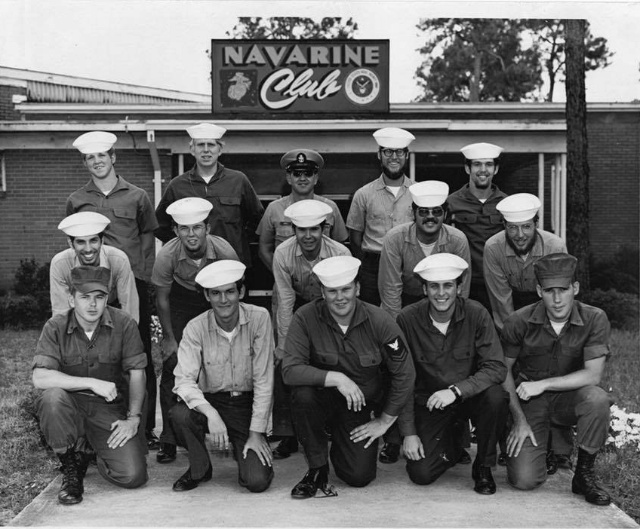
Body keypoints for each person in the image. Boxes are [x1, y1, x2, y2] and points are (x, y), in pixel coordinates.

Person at [282, 256, 415, 498]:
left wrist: (385, 420)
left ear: (358, 288)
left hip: (359, 406)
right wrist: (337, 378)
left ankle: (340, 444)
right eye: (332, 291)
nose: (340, 297)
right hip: (321, 400)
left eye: (346, 289)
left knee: (358, 476)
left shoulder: (380, 320)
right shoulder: (305, 317)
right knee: (302, 395)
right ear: (322, 292)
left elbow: (405, 373)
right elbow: (289, 370)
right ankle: (317, 468)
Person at [67, 131, 159, 449]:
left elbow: (148, 237)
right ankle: (100, 426)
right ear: (85, 163)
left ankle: (144, 428)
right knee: (98, 356)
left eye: (102, 156)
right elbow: (75, 243)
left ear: (113, 158)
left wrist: (142, 274)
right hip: (93, 290)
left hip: (131, 287)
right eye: (90, 158)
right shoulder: (77, 200)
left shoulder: (137, 196)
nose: (96, 162)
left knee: (138, 356)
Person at [501, 253, 613, 505]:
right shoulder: (518, 321)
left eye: (563, 289)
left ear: (575, 288)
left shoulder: (595, 318)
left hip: (568, 399)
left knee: (596, 398)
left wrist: (544, 384)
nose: (558, 299)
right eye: (550, 290)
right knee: (524, 480)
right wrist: (518, 419)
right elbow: (502, 371)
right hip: (530, 403)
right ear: (539, 291)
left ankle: (583, 474)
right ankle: (549, 443)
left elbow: (593, 375)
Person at [32, 266, 148, 505]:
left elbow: (138, 373)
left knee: (133, 475)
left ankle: (89, 449)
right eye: (85, 297)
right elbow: (40, 377)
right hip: (69, 406)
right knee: (52, 398)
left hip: (107, 410)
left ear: (108, 297)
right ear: (71, 298)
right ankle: (70, 465)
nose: (92, 304)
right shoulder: (55, 326)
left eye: (100, 297)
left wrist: (133, 418)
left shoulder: (124, 323)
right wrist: (90, 382)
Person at [397, 254, 508, 494]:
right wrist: (409, 433)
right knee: (421, 474)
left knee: (496, 396)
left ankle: (483, 466)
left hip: (469, 397)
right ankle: (455, 442)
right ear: (424, 289)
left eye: (448, 285)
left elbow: (496, 367)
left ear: (459, 287)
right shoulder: (407, 319)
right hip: (429, 403)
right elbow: (400, 379)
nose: (441, 293)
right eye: (434, 286)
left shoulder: (477, 314)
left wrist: (456, 391)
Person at [170, 260, 274, 493]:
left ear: (242, 292)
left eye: (230, 291)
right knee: (179, 413)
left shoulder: (259, 318)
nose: (223, 300)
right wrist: (211, 413)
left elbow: (264, 379)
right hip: (212, 401)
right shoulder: (195, 327)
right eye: (215, 293)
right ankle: (200, 467)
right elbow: (184, 381)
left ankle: (251, 451)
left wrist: (257, 433)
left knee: (256, 482)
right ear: (207, 296)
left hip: (245, 406)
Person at [483, 193, 570, 467]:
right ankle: (507, 439)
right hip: (509, 317)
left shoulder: (555, 245)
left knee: (554, 367)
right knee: (503, 373)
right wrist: (518, 345)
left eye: (527, 227)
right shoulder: (493, 248)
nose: (520, 234)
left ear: (536, 224)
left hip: (546, 310)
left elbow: (557, 297)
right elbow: (500, 302)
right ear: (504, 227)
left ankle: (558, 449)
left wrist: (543, 340)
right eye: (512, 228)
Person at [151, 197, 238, 465]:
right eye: (184, 228)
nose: (191, 234)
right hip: (179, 302)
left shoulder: (224, 251)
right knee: (173, 364)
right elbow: (161, 298)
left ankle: (231, 426)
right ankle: (168, 438)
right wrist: (169, 338)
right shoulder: (167, 254)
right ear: (176, 231)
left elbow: (233, 295)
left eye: (197, 227)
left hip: (214, 297)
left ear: (207, 228)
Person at [270, 199, 351, 459]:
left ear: (324, 229)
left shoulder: (340, 253)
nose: (308, 236)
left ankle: (333, 426)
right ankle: (287, 434)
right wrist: (284, 344)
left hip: (332, 307)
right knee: (286, 363)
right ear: (293, 230)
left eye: (314, 229)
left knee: (333, 361)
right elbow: (285, 300)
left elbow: (345, 299)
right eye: (301, 230)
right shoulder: (282, 253)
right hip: (297, 307)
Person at [154, 123, 264, 267]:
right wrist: (184, 244)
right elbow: (158, 225)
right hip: (191, 267)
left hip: (232, 263)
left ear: (220, 149)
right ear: (192, 150)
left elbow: (258, 220)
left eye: (211, 145)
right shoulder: (178, 185)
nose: (206, 150)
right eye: (200, 145)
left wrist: (238, 241)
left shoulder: (238, 180)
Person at [379, 180, 471, 319]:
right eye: (423, 212)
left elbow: (462, 289)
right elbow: (391, 290)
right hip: (405, 302)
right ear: (413, 213)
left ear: (445, 214)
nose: (430, 217)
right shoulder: (395, 238)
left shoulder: (458, 240)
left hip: (445, 301)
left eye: (436, 211)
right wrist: (398, 328)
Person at [346, 127, 415, 306]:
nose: (394, 157)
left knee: (408, 315)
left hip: (408, 266)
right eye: (388, 151)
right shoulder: (363, 194)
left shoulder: (418, 193)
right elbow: (355, 237)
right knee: (372, 317)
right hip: (372, 267)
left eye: (399, 151)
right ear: (379, 155)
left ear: (407, 155)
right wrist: (365, 268)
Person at [256, 149, 348, 272]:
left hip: (323, 284)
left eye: (308, 173)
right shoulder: (274, 208)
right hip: (285, 283)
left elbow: (339, 248)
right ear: (289, 178)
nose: (303, 178)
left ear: (315, 178)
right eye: (297, 174)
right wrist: (281, 275)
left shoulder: (330, 208)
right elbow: (264, 249)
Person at [447, 142, 507, 312]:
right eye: (477, 164)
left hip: (497, 280)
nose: (483, 170)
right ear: (467, 169)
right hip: (465, 281)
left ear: (495, 169)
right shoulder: (451, 203)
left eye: (489, 164)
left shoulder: (506, 204)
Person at [50, 212, 139, 322]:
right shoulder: (60, 263)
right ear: (71, 243)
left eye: (93, 240)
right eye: (81, 242)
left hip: (112, 310)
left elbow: (129, 308)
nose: (88, 249)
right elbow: (61, 313)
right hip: (77, 314)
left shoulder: (119, 260)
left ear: (102, 241)